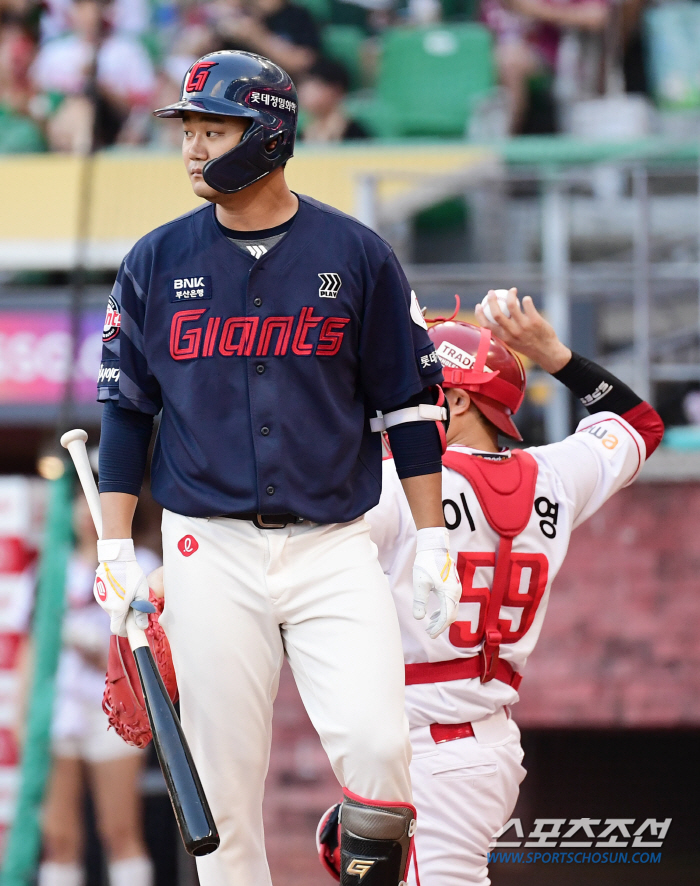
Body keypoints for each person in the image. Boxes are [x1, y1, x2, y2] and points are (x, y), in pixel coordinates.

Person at [93, 49, 462, 886]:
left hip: (335, 545)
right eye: (186, 130)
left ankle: (356, 853)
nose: (190, 148)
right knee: (221, 802)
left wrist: (434, 536)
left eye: (210, 128)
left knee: (379, 748)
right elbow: (125, 412)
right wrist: (116, 549)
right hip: (207, 551)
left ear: (265, 134)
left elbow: (407, 405)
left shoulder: (357, 255)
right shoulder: (155, 260)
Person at [338, 288, 662, 884]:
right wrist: (553, 353)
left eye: (416, 397)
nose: (394, 412)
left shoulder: (395, 487)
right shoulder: (556, 475)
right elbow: (640, 423)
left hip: (433, 750)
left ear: (457, 400)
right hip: (478, 745)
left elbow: (282, 544)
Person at [15, 494, 159, 886]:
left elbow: (160, 647)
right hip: (58, 709)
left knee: (119, 829)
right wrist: (23, 713)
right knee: (59, 837)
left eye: (95, 499)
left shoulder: (142, 566)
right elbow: (31, 647)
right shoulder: (50, 571)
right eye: (78, 501)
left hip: (116, 709)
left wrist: (107, 657)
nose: (85, 511)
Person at [30, 0, 156, 148]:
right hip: (57, 127)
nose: (90, 16)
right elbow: (36, 99)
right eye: (82, 8)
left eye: (95, 8)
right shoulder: (54, 53)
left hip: (113, 126)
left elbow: (144, 104)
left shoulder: (127, 50)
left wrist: (100, 86)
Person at [481, 0, 609, 132]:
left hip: (551, 57)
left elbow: (598, 16)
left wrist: (537, 11)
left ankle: (502, 140)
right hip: (487, 53)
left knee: (509, 59)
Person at [298, 57, 369, 143]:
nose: (304, 92)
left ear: (336, 90)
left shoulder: (356, 135)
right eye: (303, 85)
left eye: (314, 86)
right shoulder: (301, 134)